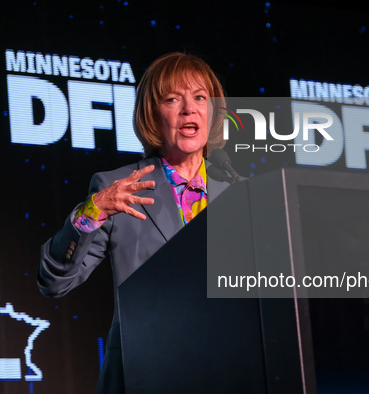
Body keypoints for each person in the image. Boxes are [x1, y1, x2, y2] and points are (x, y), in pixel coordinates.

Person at [37, 52, 230, 394]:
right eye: (173, 99)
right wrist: (90, 212)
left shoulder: (239, 193)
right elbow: (55, 283)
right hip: (144, 373)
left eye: (200, 97)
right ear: (152, 114)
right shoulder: (118, 189)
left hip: (229, 370)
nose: (189, 109)